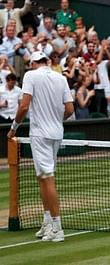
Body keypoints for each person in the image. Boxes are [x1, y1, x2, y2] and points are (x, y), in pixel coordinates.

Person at [7, 51, 74, 242]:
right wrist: (55, 121)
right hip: (56, 134)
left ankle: (57, 228)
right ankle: (47, 223)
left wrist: (13, 129)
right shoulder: (60, 78)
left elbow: (24, 106)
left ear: (35, 63)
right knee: (42, 177)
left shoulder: (30, 76)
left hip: (40, 134)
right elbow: (69, 109)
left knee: (47, 178)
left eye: (30, 64)